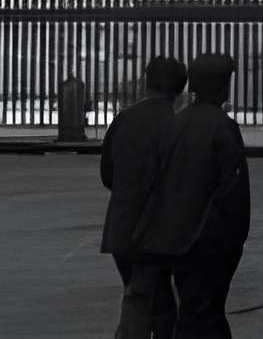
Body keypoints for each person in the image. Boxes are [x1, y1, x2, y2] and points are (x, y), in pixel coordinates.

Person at [130, 52, 251, 339]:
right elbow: (233, 193)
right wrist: (233, 239)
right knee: (205, 315)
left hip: (177, 237)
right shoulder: (223, 127)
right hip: (210, 240)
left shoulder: (175, 123)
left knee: (193, 310)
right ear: (223, 86)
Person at [97, 56, 189, 339]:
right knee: (149, 302)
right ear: (180, 89)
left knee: (145, 297)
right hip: (157, 231)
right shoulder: (178, 125)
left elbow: (107, 174)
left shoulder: (124, 118)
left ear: (145, 83)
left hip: (121, 228)